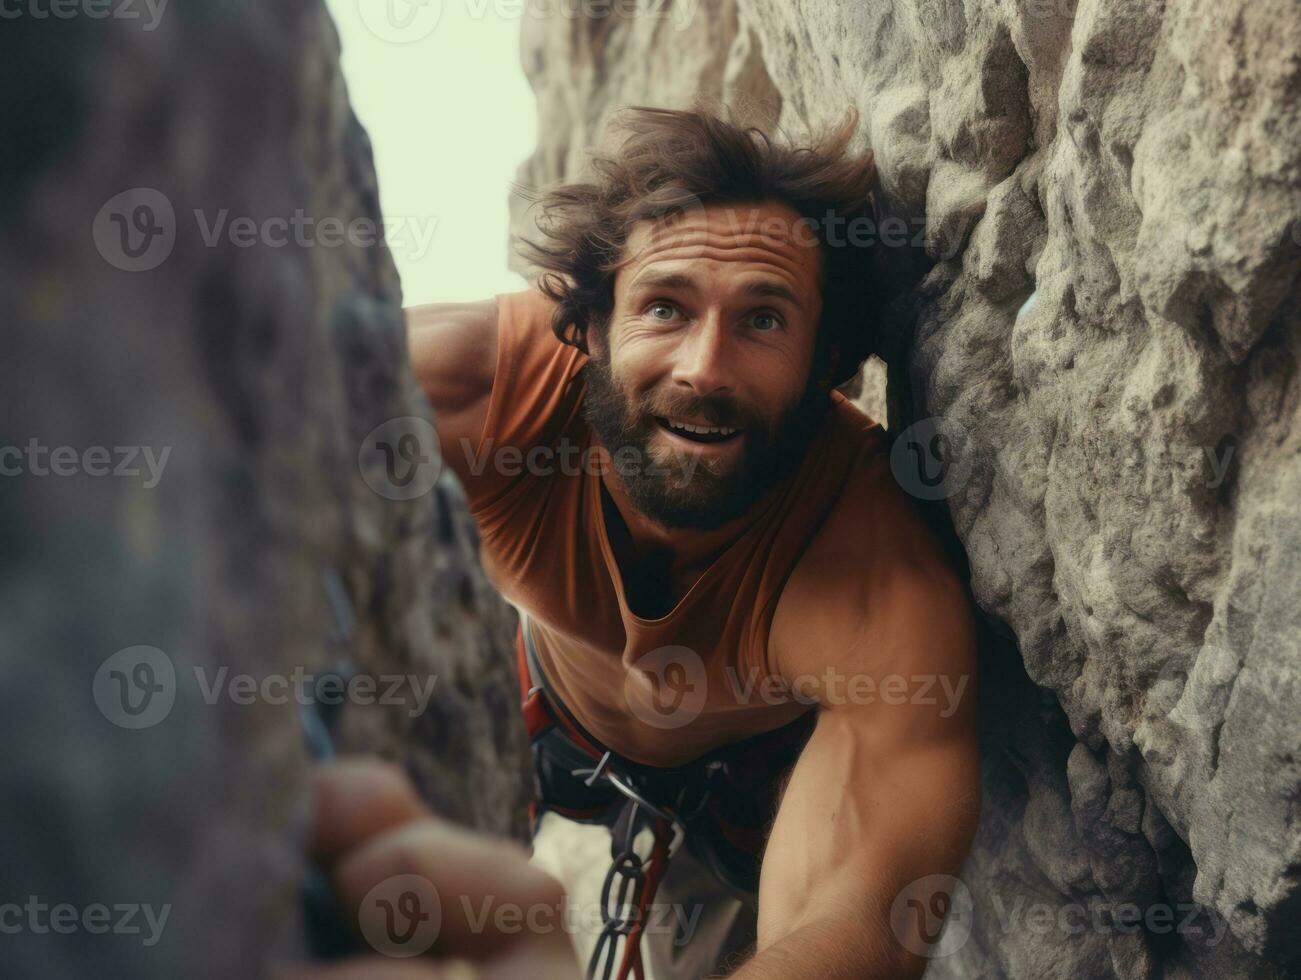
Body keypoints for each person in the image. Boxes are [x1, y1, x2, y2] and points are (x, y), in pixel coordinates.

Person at [301, 103, 981, 979]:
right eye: (664, 307)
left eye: (763, 320)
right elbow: (241, 438)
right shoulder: (490, 390)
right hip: (539, 709)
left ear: (828, 363)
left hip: (742, 783)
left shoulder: (872, 576)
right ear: (586, 326)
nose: (703, 367)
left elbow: (859, 925)